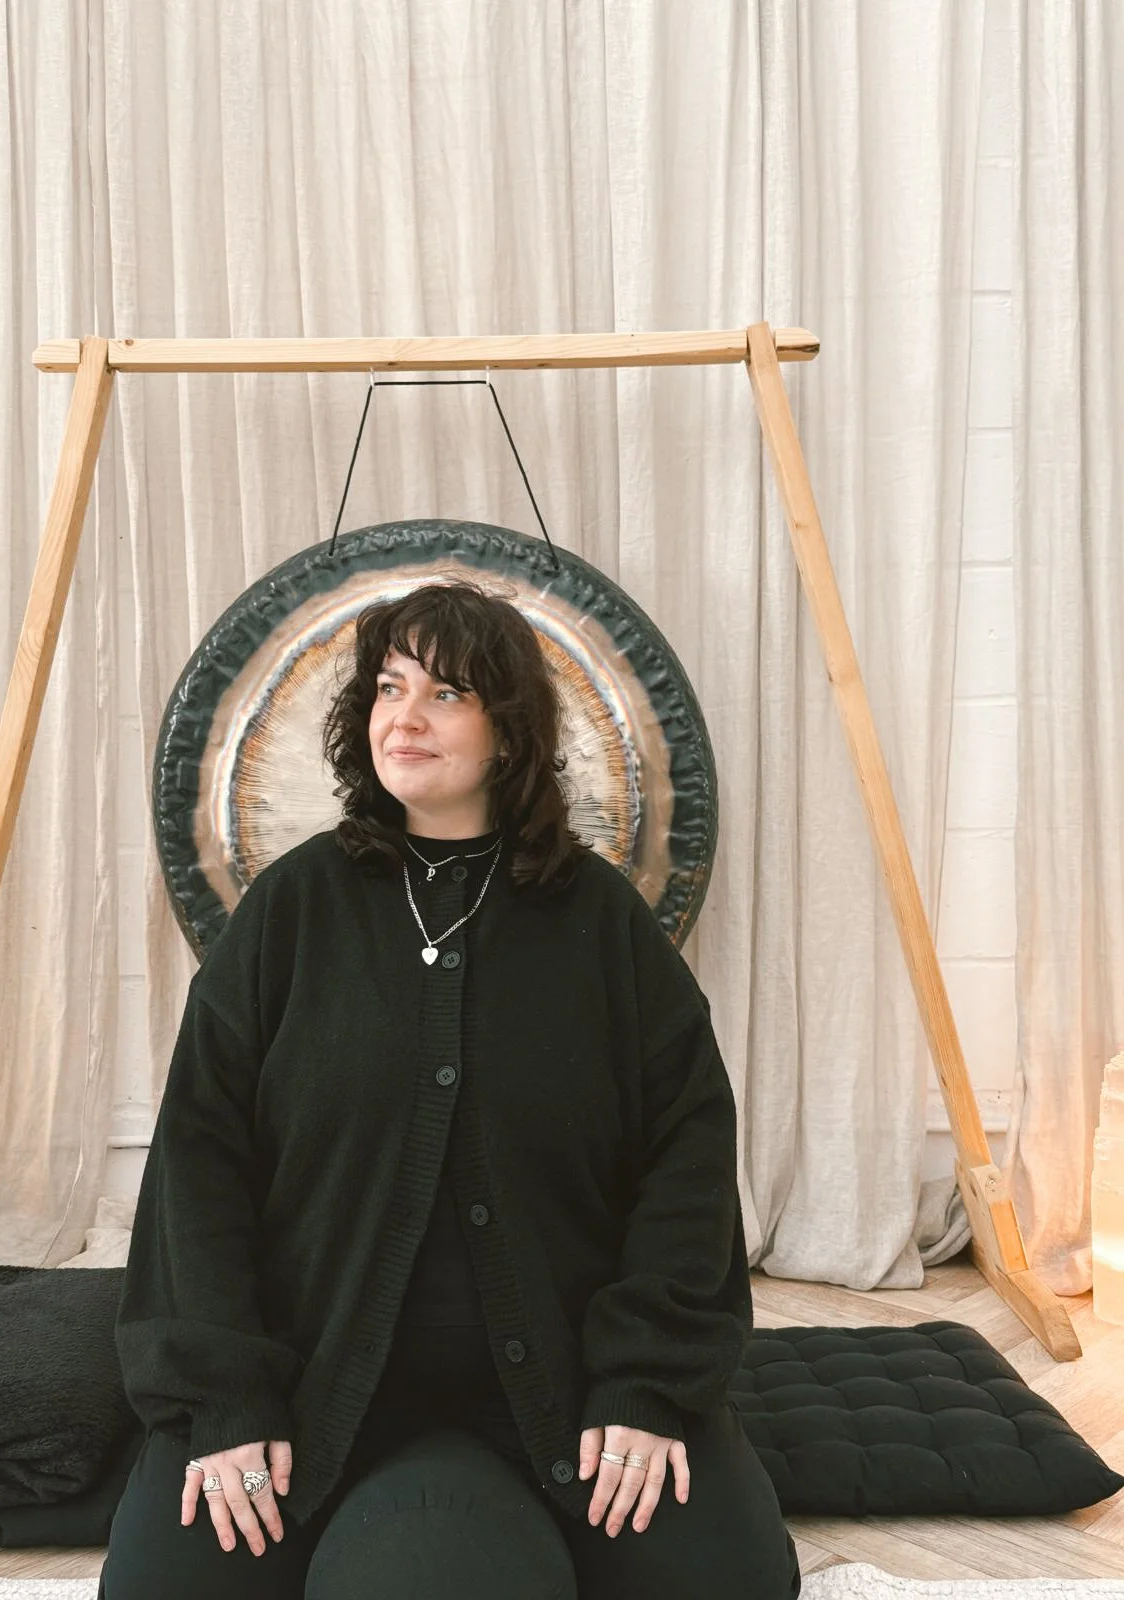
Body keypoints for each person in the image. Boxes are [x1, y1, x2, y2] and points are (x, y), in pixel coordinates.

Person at [99, 579, 801, 1599]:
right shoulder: (290, 911)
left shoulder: (602, 923)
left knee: (728, 1583)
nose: (406, 717)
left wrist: (646, 1386)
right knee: (164, 1592)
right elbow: (198, 1162)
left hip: (567, 1385)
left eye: (447, 693)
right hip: (311, 1381)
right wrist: (227, 1401)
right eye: (389, 688)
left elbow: (686, 1156)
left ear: (509, 731)